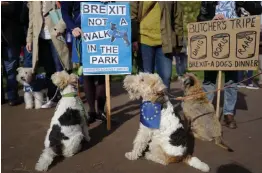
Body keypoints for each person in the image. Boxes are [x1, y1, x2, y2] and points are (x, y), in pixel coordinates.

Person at [197, 1, 262, 129]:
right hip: (213, 40)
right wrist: (211, 19)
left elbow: (257, 9)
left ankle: (228, 114)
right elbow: (200, 18)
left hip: (234, 40)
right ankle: (206, 113)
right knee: (209, 80)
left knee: (232, 80)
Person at [61, 1, 107, 123]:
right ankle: (91, 112)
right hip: (83, 35)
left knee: (104, 73)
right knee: (87, 75)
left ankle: (101, 111)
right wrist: (72, 27)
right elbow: (65, 11)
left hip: (103, 32)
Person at [26, 1, 71, 108]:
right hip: (41, 39)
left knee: (61, 68)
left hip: (56, 36)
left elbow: (66, 13)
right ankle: (53, 98)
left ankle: (67, 97)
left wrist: (59, 28)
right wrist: (29, 39)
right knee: (49, 70)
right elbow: (32, 19)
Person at [131, 2, 184, 89]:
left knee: (165, 77)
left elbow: (178, 17)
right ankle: (148, 102)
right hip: (144, 40)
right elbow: (132, 15)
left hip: (165, 41)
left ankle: (164, 101)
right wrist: (134, 39)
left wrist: (179, 41)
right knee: (146, 77)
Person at [1, 1, 24, 106]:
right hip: (9, 40)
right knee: (9, 70)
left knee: (11, 70)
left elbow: (15, 9)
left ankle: (12, 97)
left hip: (10, 40)